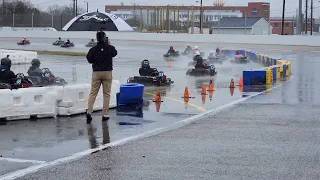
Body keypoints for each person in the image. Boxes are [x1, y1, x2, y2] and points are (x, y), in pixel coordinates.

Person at [86, 31, 117, 123]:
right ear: (104, 38)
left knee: (93, 93)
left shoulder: (93, 49)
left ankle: (89, 111)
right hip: (107, 72)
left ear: (97, 38)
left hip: (96, 72)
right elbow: (115, 53)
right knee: (106, 94)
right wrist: (108, 44)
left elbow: (89, 60)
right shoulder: (110, 48)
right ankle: (105, 114)